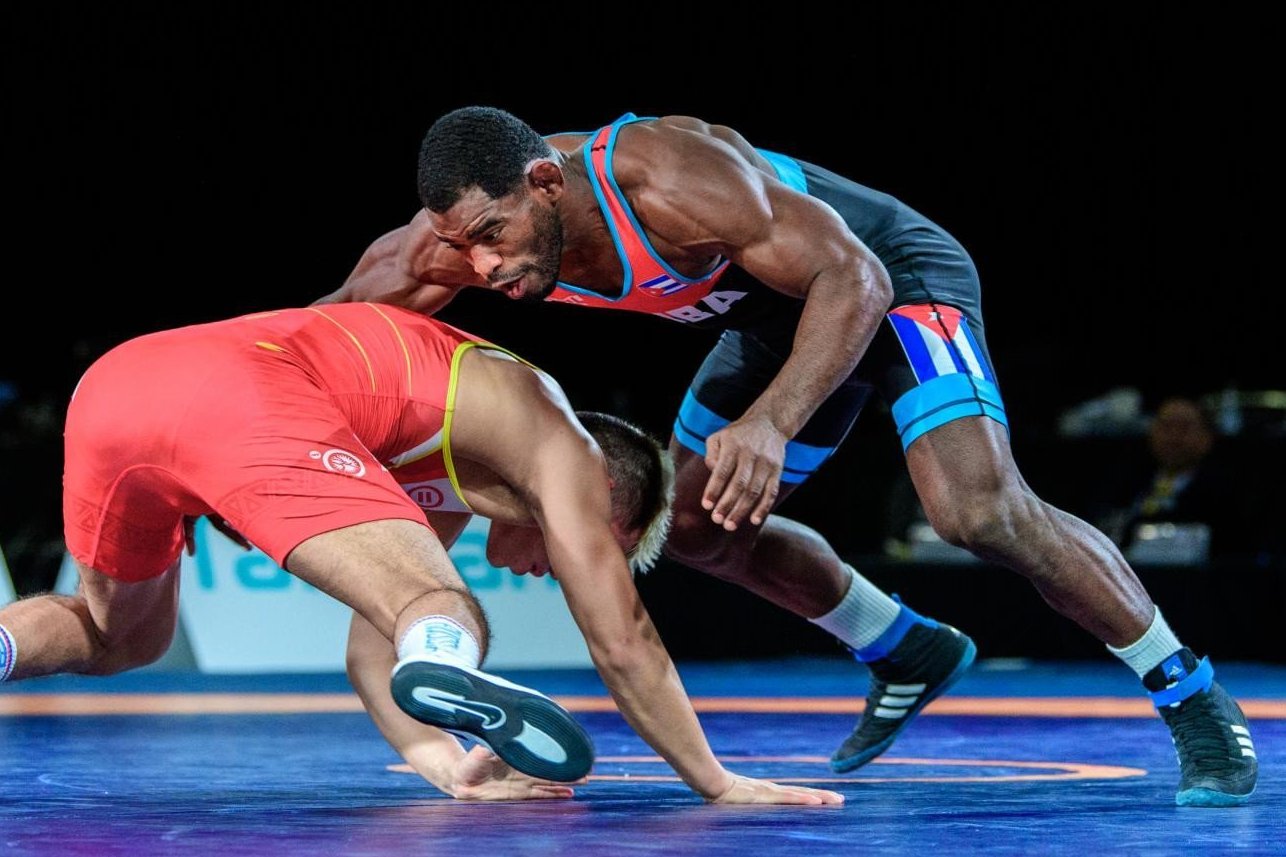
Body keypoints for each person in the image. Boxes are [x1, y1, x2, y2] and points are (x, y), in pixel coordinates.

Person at [316, 107, 1257, 807]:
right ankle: (905, 644)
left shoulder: (667, 176)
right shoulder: (443, 249)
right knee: (684, 526)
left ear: (547, 184)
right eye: (460, 247)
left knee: (975, 507)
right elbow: (304, 350)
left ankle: (1195, 696)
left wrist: (769, 423)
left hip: (891, 282)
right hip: (771, 318)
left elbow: (856, 277)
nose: (483, 270)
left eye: (494, 238)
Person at [0, 302, 841, 807]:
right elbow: (624, 641)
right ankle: (451, 656)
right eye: (599, 547)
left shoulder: (437, 466)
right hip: (237, 389)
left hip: (116, 386)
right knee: (447, 608)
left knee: (119, 634)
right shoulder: (565, 446)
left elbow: (373, 650)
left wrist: (442, 763)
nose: (559, 570)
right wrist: (714, 779)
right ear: (602, 502)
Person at [1098, 395, 1258, 562]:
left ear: (1207, 437)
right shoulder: (1125, 483)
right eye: (1166, 426)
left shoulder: (1229, 492)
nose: (1173, 437)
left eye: (1184, 428)